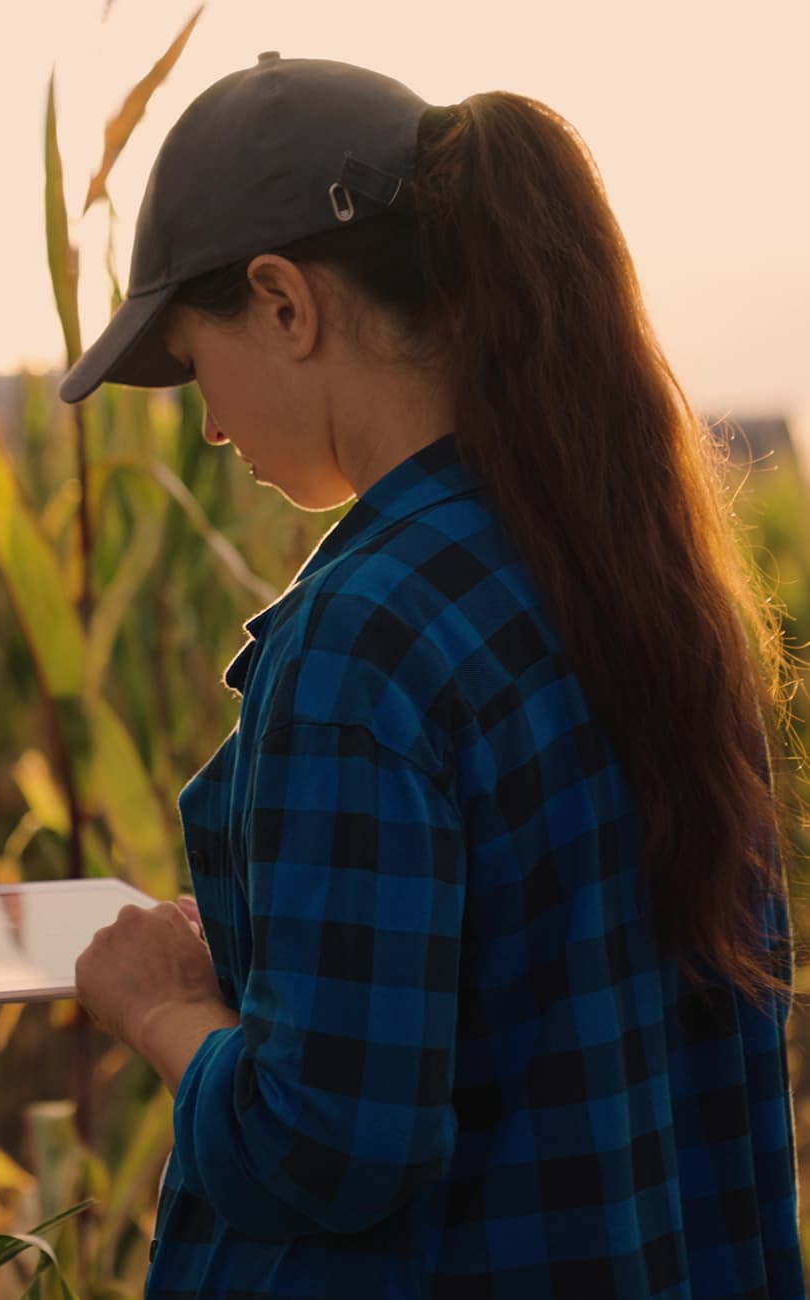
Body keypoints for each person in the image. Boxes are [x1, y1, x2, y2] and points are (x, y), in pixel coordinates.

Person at [66, 52, 806, 1299]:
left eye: (198, 366)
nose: (208, 426)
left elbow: (330, 1144)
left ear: (285, 303)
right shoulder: (639, 576)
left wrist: (161, 1010)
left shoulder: (364, 640)